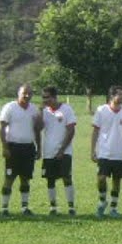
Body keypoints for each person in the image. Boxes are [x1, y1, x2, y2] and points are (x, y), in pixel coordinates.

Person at [91, 85, 122, 218]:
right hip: (104, 152)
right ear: (112, 96)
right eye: (120, 94)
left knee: (117, 180)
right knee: (101, 177)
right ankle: (102, 201)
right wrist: (92, 150)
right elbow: (95, 131)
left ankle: (113, 208)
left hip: (120, 153)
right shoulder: (101, 110)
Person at [0, 83, 41, 216]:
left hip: (28, 147)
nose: (27, 96)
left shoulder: (34, 109)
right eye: (24, 93)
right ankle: (4, 208)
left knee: (25, 178)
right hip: (13, 147)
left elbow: (37, 130)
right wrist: (5, 147)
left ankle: (24, 207)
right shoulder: (10, 107)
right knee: (9, 178)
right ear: (18, 94)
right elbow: (2, 128)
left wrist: (39, 148)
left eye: (30, 93)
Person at [40, 86, 78, 215]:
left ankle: (71, 207)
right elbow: (38, 128)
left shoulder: (66, 109)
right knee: (50, 180)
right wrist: (40, 113)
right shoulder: (44, 111)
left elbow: (71, 130)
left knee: (66, 178)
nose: (45, 100)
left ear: (55, 97)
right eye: (43, 97)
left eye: (47, 97)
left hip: (64, 151)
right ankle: (53, 207)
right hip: (48, 152)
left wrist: (62, 149)